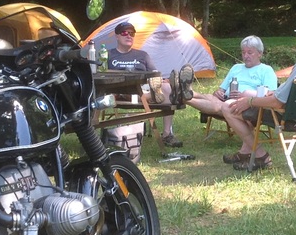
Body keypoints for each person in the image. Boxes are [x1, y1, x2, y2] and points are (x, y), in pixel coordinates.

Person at [222, 18, 296, 171]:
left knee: (227, 107)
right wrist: (274, 92)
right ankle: (245, 152)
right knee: (250, 99)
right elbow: (294, 91)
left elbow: (277, 103)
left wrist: (250, 101)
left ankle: (260, 156)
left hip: (288, 118)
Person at [181, 36, 278, 161]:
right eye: (243, 52)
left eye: (250, 52)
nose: (246, 56)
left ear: (260, 53)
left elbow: (269, 94)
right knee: (212, 97)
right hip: (226, 99)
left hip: (246, 105)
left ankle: (184, 97)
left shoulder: (266, 70)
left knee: (219, 106)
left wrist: (245, 95)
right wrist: (219, 92)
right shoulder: (236, 68)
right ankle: (188, 93)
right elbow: (220, 90)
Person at [107, 20, 184, 148]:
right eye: (125, 33)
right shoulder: (108, 55)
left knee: (166, 87)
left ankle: (167, 134)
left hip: (143, 88)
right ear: (117, 36)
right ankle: (169, 93)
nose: (129, 36)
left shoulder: (142, 55)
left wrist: (162, 81)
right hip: (120, 89)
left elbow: (155, 74)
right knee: (163, 92)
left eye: (132, 33)